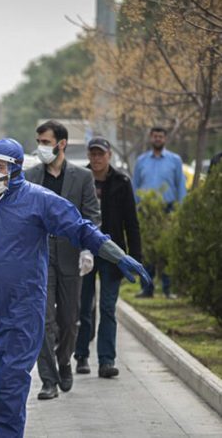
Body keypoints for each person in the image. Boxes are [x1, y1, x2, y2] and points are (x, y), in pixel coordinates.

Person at [0, 138, 151, 438]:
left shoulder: (39, 200)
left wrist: (117, 254)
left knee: (9, 385)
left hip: (20, 309)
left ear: (15, 169)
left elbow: (80, 227)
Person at [25, 120, 101, 400]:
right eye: (39, 142)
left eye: (46, 142)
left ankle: (65, 359)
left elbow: (91, 216)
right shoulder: (31, 176)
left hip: (71, 254)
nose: (41, 147)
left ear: (62, 144)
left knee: (70, 320)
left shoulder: (82, 177)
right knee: (43, 320)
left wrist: (88, 249)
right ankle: (48, 380)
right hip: (39, 257)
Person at [74, 137, 142, 378]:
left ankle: (106, 360)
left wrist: (134, 257)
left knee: (107, 308)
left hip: (113, 254)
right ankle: (81, 355)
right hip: (84, 251)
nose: (96, 158)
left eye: (100, 154)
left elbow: (131, 223)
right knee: (83, 307)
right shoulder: (80, 178)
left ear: (109, 155)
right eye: (92, 154)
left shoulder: (122, 182)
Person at [133, 126, 186, 298]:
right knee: (147, 251)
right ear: (150, 137)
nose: (157, 139)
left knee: (167, 250)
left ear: (165, 139)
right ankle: (147, 289)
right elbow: (135, 186)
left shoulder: (175, 160)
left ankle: (168, 289)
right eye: (155, 136)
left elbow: (180, 185)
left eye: (161, 136)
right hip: (147, 210)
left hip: (168, 209)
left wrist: (180, 209)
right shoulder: (141, 160)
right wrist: (135, 208)